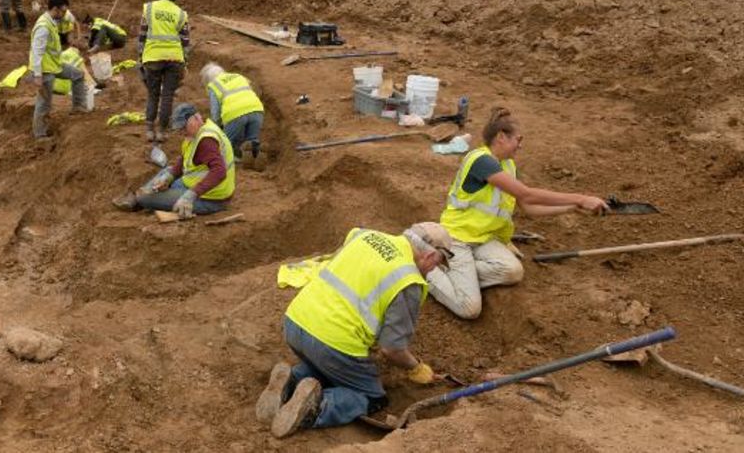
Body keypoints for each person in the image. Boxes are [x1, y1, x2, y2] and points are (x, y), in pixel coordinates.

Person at [257, 223, 451, 438]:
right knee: (372, 397)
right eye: (438, 264)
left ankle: (291, 381)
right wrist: (416, 368)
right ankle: (315, 409)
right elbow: (391, 349)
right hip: (333, 345)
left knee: (332, 369)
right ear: (431, 255)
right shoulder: (408, 280)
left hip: (296, 323)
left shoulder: (364, 235)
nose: (433, 270)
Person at [428, 107, 610, 319]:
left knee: (512, 271)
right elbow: (527, 195)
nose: (521, 145)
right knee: (469, 309)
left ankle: (456, 272)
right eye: (518, 139)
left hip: (483, 239)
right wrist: (581, 198)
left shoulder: (508, 166)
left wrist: (572, 208)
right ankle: (429, 271)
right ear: (501, 137)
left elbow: (528, 207)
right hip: (457, 238)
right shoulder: (481, 160)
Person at [112, 103, 234, 218]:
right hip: (197, 185)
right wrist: (168, 178)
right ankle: (141, 196)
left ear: (196, 118)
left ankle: (141, 200)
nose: (181, 132)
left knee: (146, 198)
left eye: (183, 127)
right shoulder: (199, 131)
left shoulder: (206, 140)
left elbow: (219, 171)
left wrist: (190, 196)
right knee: (168, 172)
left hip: (211, 198)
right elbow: (184, 160)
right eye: (179, 129)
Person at [139, 0, 190, 143]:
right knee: (167, 96)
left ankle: (149, 130)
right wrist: (185, 62)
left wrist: (140, 56)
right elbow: (185, 41)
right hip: (174, 58)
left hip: (152, 57)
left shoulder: (149, 8)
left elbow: (142, 35)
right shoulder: (181, 13)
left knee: (153, 95)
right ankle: (161, 132)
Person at [29, 0, 87, 138]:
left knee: (78, 74)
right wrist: (37, 75)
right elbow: (37, 51)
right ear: (55, 9)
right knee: (44, 103)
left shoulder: (52, 22)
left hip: (55, 64)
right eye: (62, 11)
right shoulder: (43, 27)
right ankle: (40, 135)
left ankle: (78, 107)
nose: (64, 14)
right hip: (44, 70)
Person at [200, 62, 265, 162]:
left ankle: (234, 158)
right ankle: (254, 155)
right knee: (252, 139)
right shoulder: (239, 76)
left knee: (226, 143)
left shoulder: (214, 85)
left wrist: (218, 127)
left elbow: (215, 112)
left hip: (234, 114)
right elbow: (253, 91)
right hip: (256, 109)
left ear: (208, 80)